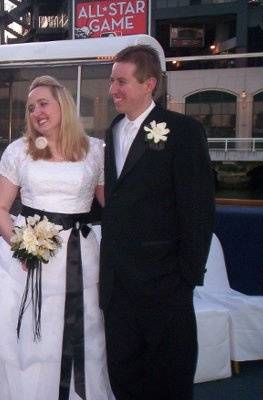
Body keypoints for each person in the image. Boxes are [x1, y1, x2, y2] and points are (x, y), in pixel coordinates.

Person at [0, 75, 112, 400]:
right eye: (30, 108)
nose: (36, 112)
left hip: (79, 254)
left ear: (62, 105)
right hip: (28, 253)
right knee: (22, 341)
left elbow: (112, 206)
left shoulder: (95, 151)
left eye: (43, 103)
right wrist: (20, 247)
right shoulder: (19, 151)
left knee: (78, 337)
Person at [100, 45, 215, 400]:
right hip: (118, 286)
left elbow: (198, 210)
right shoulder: (113, 131)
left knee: (169, 378)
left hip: (165, 285)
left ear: (149, 83)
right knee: (123, 373)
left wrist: (185, 276)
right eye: (112, 81)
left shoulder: (183, 131)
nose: (113, 89)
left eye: (121, 81)